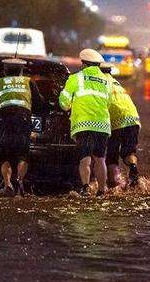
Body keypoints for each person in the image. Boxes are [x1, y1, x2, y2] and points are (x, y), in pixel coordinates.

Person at [59, 49, 112, 196]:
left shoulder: (76, 78)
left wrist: (68, 106)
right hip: (103, 124)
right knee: (100, 158)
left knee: (85, 158)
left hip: (84, 123)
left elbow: (64, 102)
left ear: (84, 64)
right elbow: (109, 102)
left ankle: (85, 187)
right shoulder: (107, 81)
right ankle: (102, 191)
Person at [0, 58, 44, 197]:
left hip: (4, 120)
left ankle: (7, 184)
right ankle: (19, 181)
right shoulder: (28, 82)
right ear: (22, 70)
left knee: (5, 154)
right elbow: (39, 102)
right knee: (23, 153)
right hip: (23, 120)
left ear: (5, 70)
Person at [100, 63, 142, 188]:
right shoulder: (116, 83)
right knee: (129, 153)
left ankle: (115, 185)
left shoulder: (99, 83)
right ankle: (133, 169)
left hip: (116, 122)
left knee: (111, 156)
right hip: (133, 119)